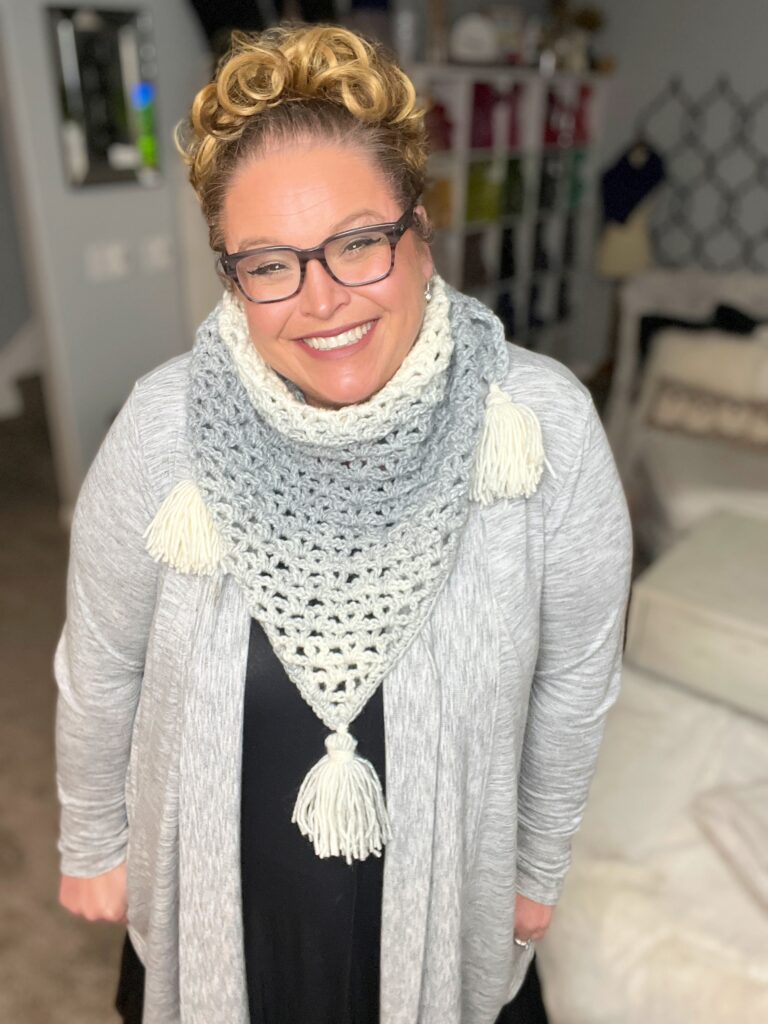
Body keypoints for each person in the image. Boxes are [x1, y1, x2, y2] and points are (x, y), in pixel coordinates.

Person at [55, 23, 633, 1024]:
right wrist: (91, 838)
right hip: (220, 909)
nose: (322, 301)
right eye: (270, 264)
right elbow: (102, 656)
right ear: (233, 278)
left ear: (420, 230)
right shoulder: (164, 426)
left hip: (443, 912)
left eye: (358, 243)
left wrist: (537, 865)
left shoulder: (537, 427)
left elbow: (577, 675)